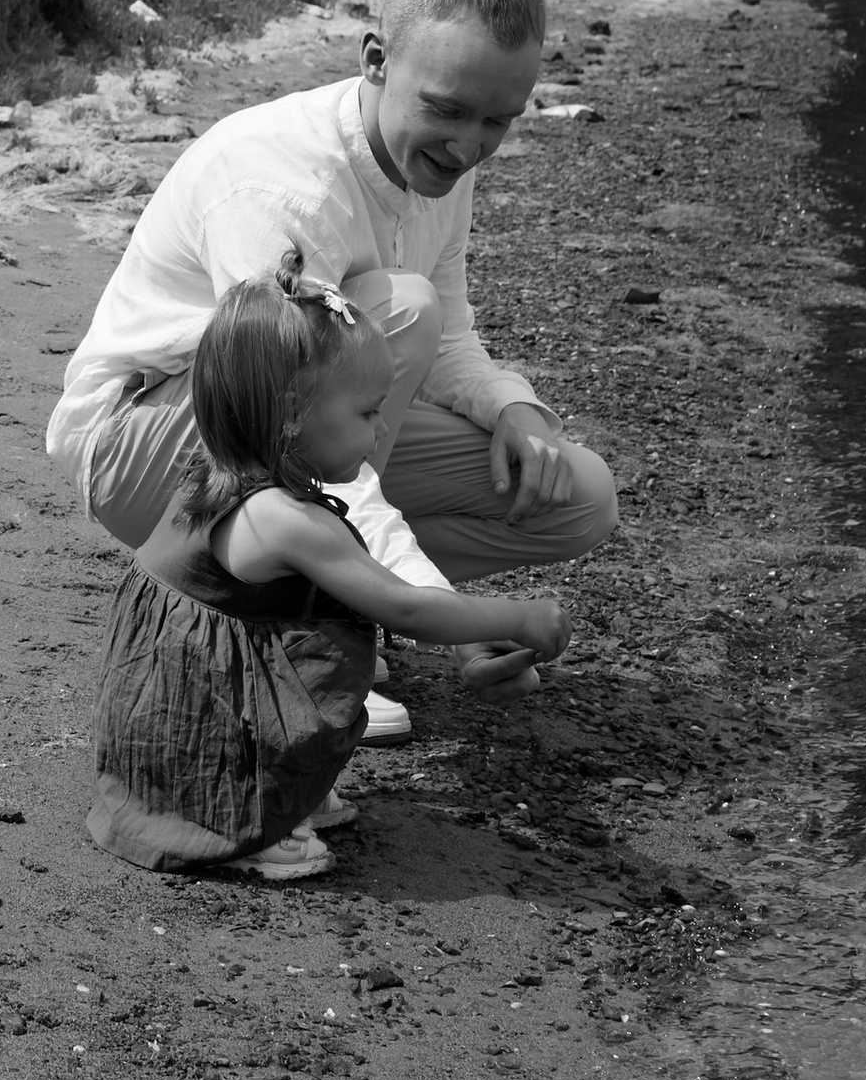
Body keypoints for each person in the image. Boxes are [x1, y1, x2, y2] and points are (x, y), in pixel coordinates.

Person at [49, 0, 614, 732]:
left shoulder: (441, 161)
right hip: (146, 439)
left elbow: (449, 334)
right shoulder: (284, 189)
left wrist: (512, 409)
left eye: (499, 119)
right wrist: (450, 614)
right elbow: (287, 417)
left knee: (576, 494)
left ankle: (339, 605)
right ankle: (306, 636)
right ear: (377, 59)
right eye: (448, 111)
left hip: (274, 436)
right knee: (396, 312)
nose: (469, 145)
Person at [92, 260, 568, 879]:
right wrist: (521, 617)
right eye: (370, 413)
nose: (381, 432)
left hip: (161, 704)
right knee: (330, 641)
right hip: (191, 721)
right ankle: (235, 816)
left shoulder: (218, 470)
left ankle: (262, 784)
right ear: (293, 413)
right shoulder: (281, 519)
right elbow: (403, 607)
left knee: (310, 624)